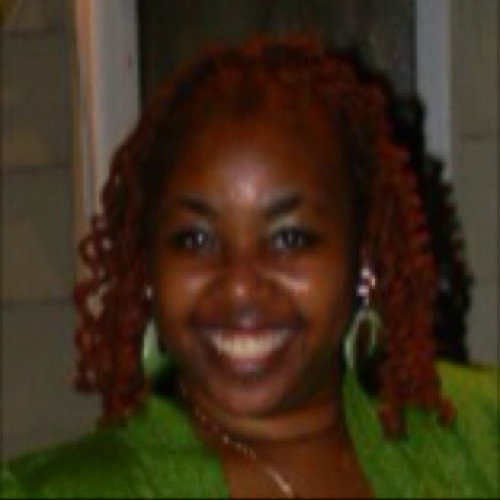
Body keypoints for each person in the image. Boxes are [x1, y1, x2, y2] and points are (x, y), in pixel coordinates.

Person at [2, 37, 497, 499]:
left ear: (362, 259)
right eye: (195, 239)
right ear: (147, 266)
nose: (239, 286)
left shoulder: (477, 436)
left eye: (290, 238)